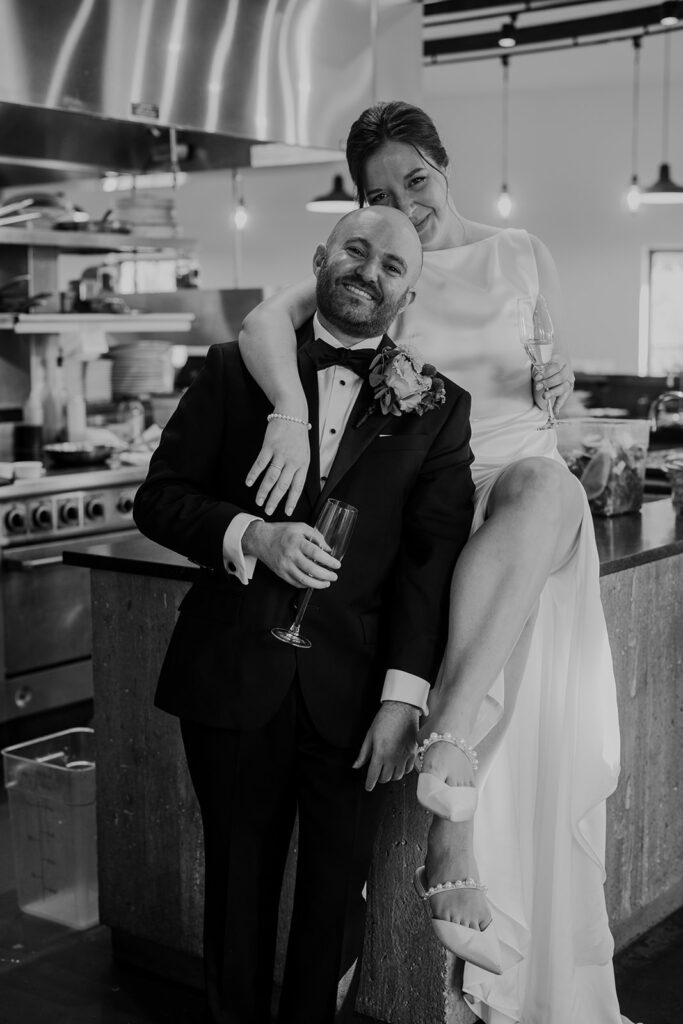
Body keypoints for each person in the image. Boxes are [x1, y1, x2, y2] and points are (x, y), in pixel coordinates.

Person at [237, 102, 636, 1023]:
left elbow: (551, 368)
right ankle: (449, 836)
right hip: (434, 494)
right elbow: (263, 326)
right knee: (462, 554)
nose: (401, 206)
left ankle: (446, 754)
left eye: (414, 181)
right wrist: (288, 414)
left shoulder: (522, 250)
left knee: (540, 486)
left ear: (442, 168)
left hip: (526, 486)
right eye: (377, 193)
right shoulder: (379, 265)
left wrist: (558, 374)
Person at [133, 204, 476, 1024]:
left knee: (332, 898)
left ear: (408, 293)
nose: (369, 271)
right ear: (320, 258)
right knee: (237, 888)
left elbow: (427, 571)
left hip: (355, 696)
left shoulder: (437, 408)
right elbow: (160, 501)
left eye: (392, 265)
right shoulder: (230, 370)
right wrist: (251, 534)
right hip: (231, 673)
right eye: (354, 251)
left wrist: (403, 701)